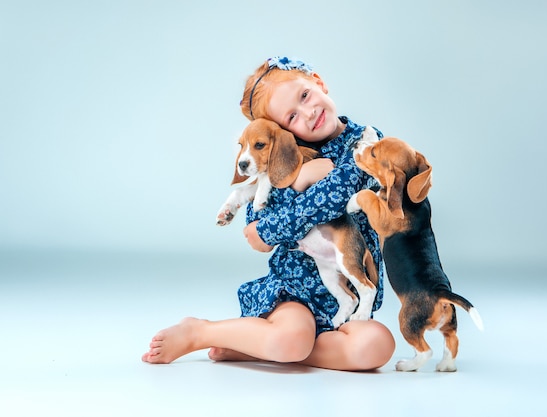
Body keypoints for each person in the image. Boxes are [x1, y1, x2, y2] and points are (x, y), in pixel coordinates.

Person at [142, 56, 395, 371]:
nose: (308, 112)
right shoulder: (283, 150)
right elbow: (255, 223)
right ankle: (200, 331)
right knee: (292, 337)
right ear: (281, 129)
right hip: (294, 291)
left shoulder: (367, 142)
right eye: (291, 116)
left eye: (304, 96)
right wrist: (300, 177)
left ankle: (256, 345)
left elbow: (333, 198)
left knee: (376, 346)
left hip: (350, 297)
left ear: (318, 82)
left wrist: (274, 221)